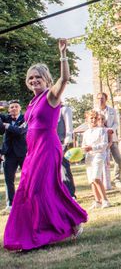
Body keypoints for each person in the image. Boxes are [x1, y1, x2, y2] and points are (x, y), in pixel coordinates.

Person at [3, 39, 87, 251]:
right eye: (30, 77)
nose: (34, 80)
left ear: (46, 79)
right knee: (27, 190)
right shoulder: (31, 103)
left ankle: (50, 229)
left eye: (38, 77)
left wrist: (63, 53)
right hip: (32, 151)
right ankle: (36, 230)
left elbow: (65, 78)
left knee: (40, 190)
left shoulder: (51, 96)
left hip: (48, 148)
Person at [0, 100, 27, 212]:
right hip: (9, 154)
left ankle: (28, 200)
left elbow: (21, 131)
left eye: (16, 106)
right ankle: (10, 204)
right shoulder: (6, 118)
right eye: (11, 107)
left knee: (28, 177)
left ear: (20, 108)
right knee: (8, 179)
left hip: (23, 152)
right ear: (9, 110)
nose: (14, 108)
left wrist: (8, 126)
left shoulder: (25, 118)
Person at [81, 111, 111, 209]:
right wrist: (83, 150)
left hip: (98, 155)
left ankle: (105, 200)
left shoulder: (101, 130)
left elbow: (104, 144)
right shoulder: (85, 133)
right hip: (89, 157)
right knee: (91, 180)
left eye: (95, 118)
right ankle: (97, 201)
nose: (94, 120)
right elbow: (83, 146)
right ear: (87, 120)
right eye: (91, 118)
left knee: (96, 178)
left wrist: (92, 147)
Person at [96, 92, 121, 188]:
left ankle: (117, 179)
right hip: (100, 139)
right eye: (98, 98)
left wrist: (111, 130)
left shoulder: (112, 110)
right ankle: (103, 181)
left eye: (102, 98)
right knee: (101, 161)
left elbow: (116, 123)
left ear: (106, 99)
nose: (100, 100)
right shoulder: (95, 111)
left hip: (112, 137)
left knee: (118, 159)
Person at [57, 100, 76, 198]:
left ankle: (71, 193)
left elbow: (69, 128)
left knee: (64, 167)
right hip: (51, 143)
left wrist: (66, 142)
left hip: (61, 143)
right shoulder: (50, 111)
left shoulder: (64, 109)